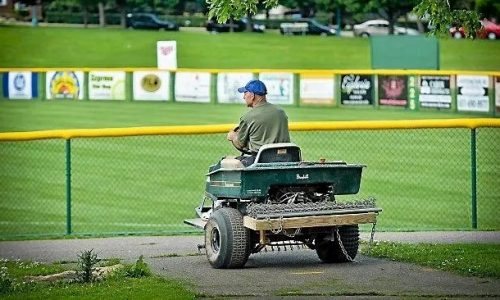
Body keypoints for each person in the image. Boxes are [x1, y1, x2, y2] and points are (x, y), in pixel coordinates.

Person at [226, 79, 290, 166]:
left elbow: (240, 144)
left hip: (261, 161)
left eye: (245, 93)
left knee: (224, 164)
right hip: (286, 159)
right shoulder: (281, 112)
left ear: (252, 95)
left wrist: (233, 136)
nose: (243, 97)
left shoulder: (247, 118)